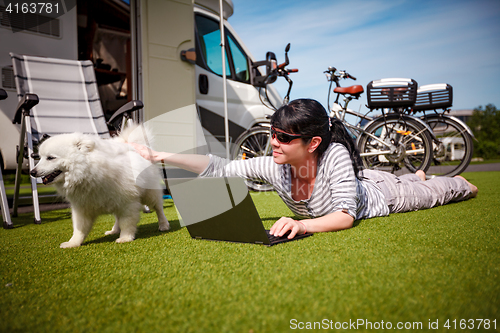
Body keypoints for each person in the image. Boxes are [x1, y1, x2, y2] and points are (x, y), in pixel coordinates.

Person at [130, 99, 478, 239]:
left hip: (381, 195)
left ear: (312, 143)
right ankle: (414, 174)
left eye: (283, 136)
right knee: (401, 177)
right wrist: (160, 155)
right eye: (272, 134)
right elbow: (219, 167)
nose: (274, 142)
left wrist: (303, 224)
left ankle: (434, 179)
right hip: (361, 181)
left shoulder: (336, 154)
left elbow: (345, 217)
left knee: (442, 190)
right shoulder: (275, 166)